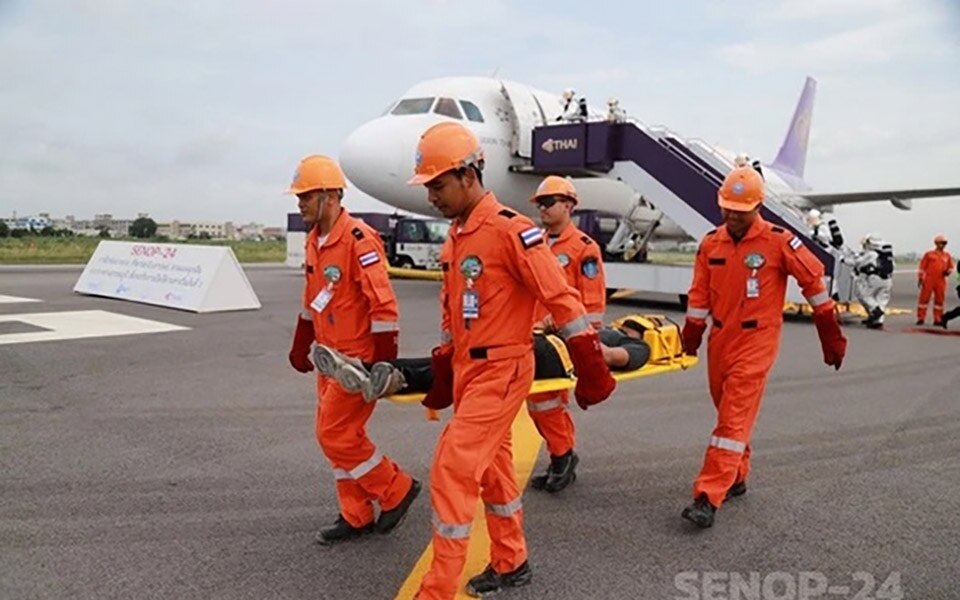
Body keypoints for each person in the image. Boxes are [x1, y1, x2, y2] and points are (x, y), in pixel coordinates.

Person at [406, 122, 615, 599]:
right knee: (495, 473)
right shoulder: (457, 237)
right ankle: (511, 560)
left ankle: (437, 590)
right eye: (428, 187)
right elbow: (451, 313)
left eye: (437, 185)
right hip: (469, 371)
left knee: (452, 467)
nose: (431, 196)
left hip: (502, 370)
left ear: (467, 175)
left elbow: (560, 298)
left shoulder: (512, 231)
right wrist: (443, 366)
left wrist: (590, 363)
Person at [680, 166, 847, 529]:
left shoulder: (779, 241)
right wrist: (691, 334)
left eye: (738, 211)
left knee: (734, 415)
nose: (730, 216)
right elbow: (698, 293)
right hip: (720, 339)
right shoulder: (711, 243)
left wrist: (829, 330)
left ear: (757, 207)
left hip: (757, 339)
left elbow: (813, 282)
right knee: (727, 409)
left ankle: (708, 495)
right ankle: (736, 474)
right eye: (726, 208)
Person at [286, 155, 420, 545]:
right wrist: (301, 343)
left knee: (335, 434)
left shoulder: (359, 240)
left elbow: (383, 306)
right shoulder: (315, 242)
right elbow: (312, 299)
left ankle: (396, 488)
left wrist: (382, 362)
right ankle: (356, 514)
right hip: (328, 359)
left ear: (329, 196)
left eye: (305, 198)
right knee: (335, 436)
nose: (300, 205)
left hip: (356, 361)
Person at [312, 318, 652, 402]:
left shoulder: (636, 347)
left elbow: (615, 358)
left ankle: (395, 379)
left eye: (633, 327)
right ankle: (365, 369)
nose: (626, 326)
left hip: (553, 358)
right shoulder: (607, 327)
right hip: (538, 343)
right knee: (459, 357)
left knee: (469, 367)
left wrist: (588, 344)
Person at [525, 175, 607, 493]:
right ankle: (562, 457)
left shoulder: (584, 248)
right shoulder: (536, 244)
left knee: (546, 403)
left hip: (561, 340)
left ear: (569, 206)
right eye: (540, 204)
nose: (542, 209)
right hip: (532, 337)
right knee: (540, 404)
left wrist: (584, 344)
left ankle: (562, 458)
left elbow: (593, 304)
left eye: (548, 203)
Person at [850, 233, 894, 329]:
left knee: (864, 296)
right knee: (881, 300)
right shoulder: (886, 254)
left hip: (874, 279)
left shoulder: (871, 254)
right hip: (887, 279)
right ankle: (877, 321)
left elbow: (858, 263)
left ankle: (875, 311)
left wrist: (843, 260)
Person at [916, 234, 954, 326]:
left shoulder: (947, 255)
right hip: (929, 280)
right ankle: (921, 318)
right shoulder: (929, 254)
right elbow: (922, 267)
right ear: (937, 243)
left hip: (941, 280)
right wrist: (920, 278)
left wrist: (948, 272)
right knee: (924, 299)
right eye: (941, 243)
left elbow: (951, 267)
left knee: (939, 300)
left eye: (944, 243)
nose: (943, 245)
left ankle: (938, 318)